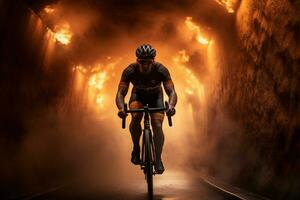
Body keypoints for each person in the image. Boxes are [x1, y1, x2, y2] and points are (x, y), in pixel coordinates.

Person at [115, 44, 177, 174]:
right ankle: (136, 148)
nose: (145, 65)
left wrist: (171, 106)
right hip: (138, 96)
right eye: (142, 62)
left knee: (157, 125)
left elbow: (171, 91)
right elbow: (121, 92)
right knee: (136, 117)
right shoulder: (130, 71)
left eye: (148, 62)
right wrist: (121, 108)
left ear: (153, 61)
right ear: (137, 60)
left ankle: (158, 159)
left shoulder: (161, 70)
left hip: (156, 97)